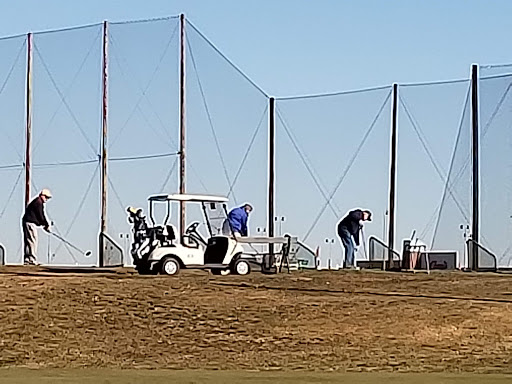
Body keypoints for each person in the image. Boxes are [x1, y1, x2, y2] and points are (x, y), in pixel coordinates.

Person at [22, 189, 52, 265]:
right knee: (32, 241)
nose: (46, 199)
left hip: (28, 222)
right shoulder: (38, 202)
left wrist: (44, 224)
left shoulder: (37, 202)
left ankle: (28, 259)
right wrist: (46, 224)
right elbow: (41, 215)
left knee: (29, 241)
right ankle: (31, 259)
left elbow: (39, 216)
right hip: (30, 223)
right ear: (42, 195)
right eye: (46, 197)